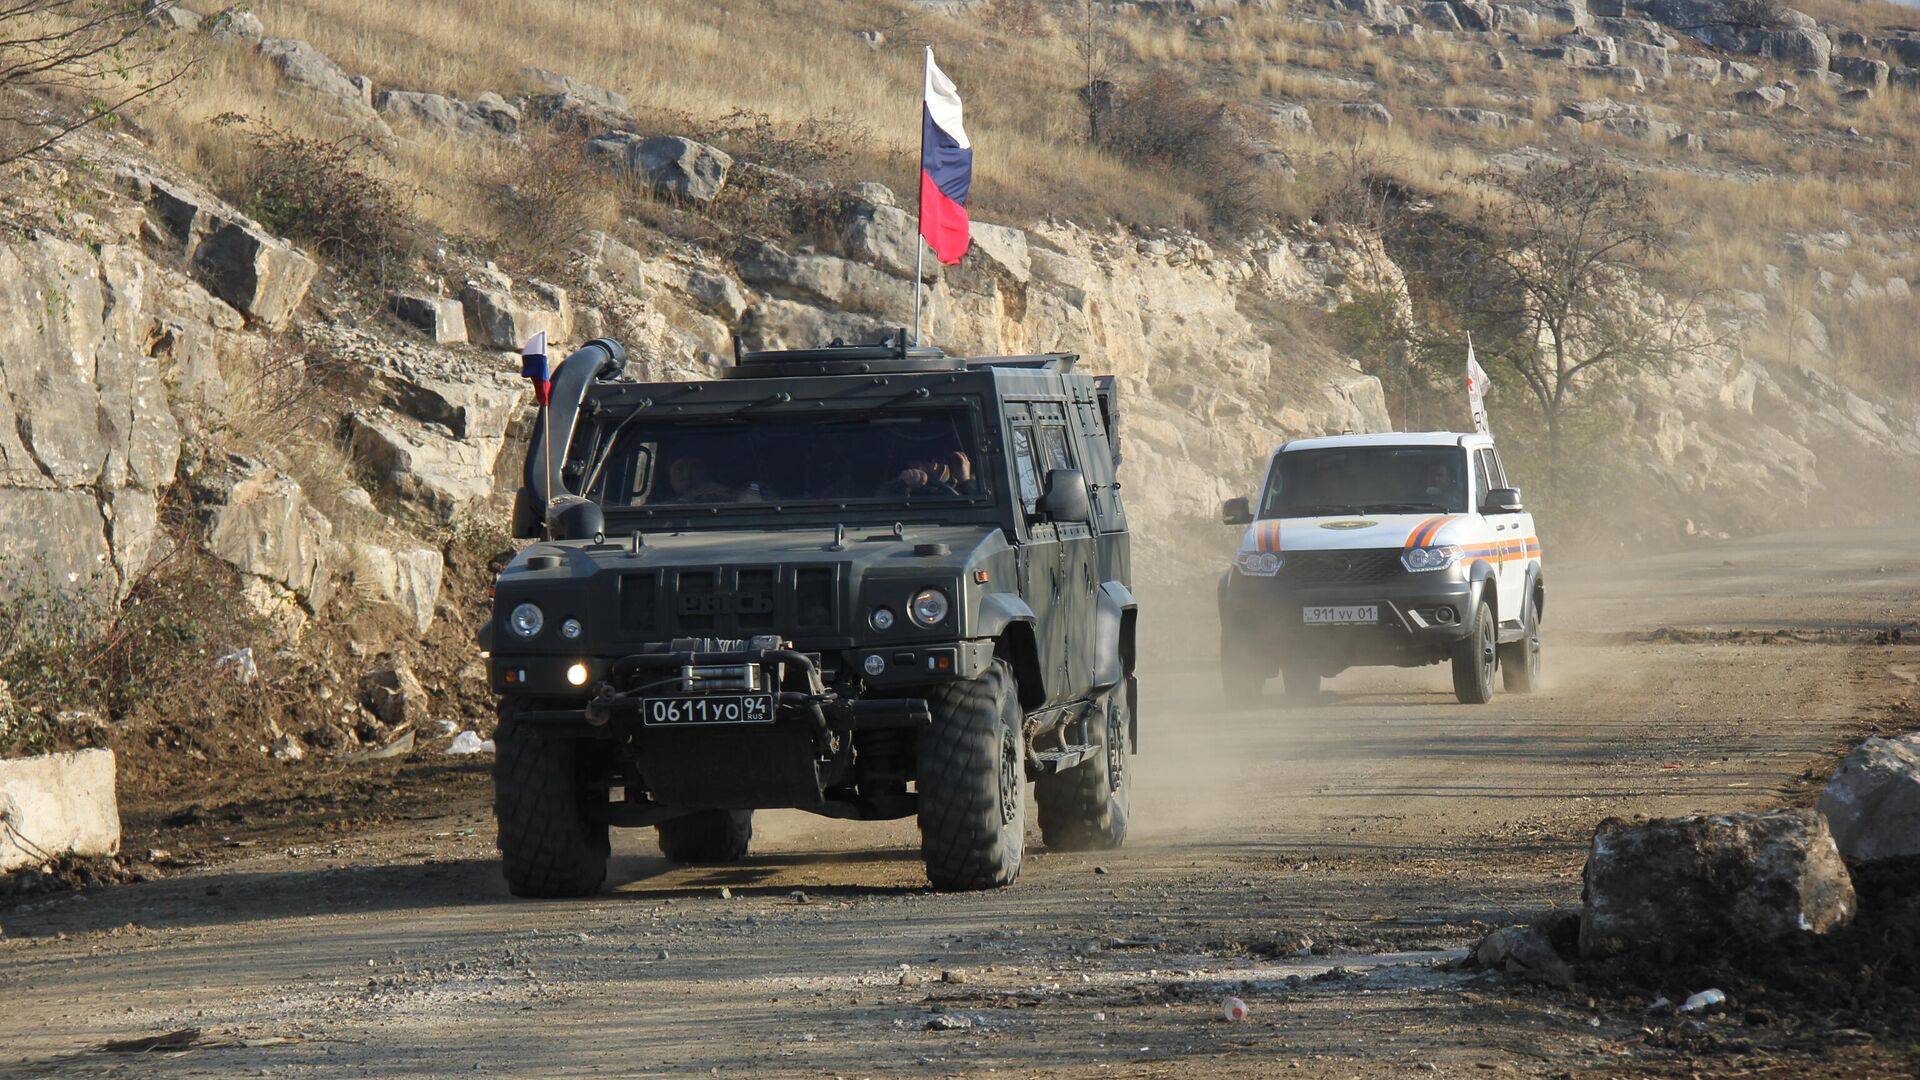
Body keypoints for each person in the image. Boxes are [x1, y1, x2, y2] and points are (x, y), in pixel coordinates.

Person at [891, 449, 974, 496]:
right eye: (914, 460)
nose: (920, 467)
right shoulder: (895, 489)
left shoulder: (959, 492)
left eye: (929, 460)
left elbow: (974, 514)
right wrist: (900, 485)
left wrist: (964, 482)